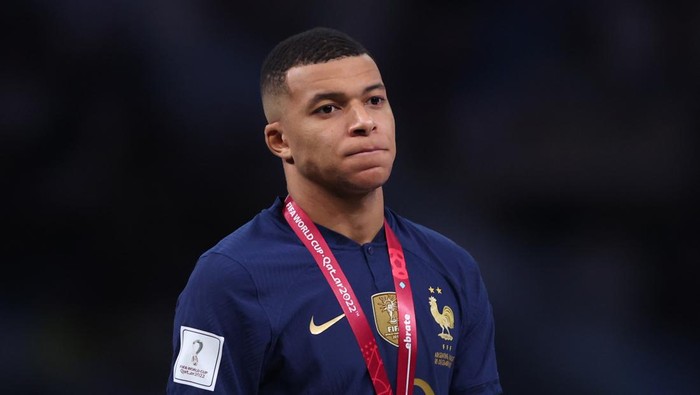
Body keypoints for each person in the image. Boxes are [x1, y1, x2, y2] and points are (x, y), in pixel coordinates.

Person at [167, 26, 502, 395]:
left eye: (374, 100)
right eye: (328, 108)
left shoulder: (450, 266)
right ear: (280, 141)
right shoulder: (232, 278)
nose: (363, 122)